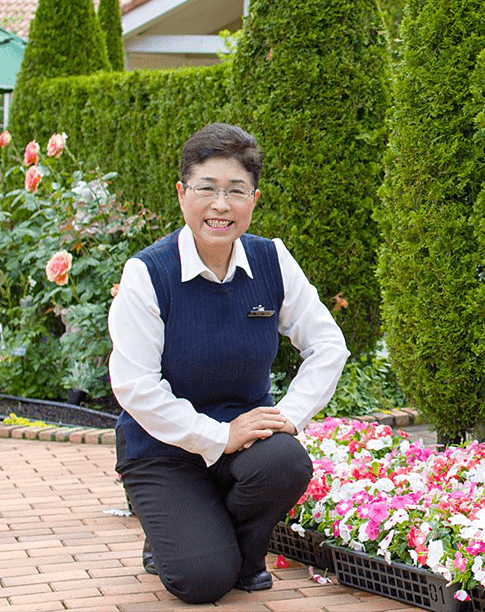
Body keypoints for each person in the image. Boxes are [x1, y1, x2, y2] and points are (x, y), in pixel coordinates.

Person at [109, 123, 349, 604]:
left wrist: (288, 417)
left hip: (246, 444)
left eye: (236, 191)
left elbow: (328, 345)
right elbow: (134, 385)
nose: (221, 205)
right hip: (163, 452)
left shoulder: (272, 260)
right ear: (182, 194)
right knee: (201, 582)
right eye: (207, 189)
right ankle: (175, 535)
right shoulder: (148, 273)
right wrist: (218, 436)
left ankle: (245, 553)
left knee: (285, 460)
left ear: (253, 200)